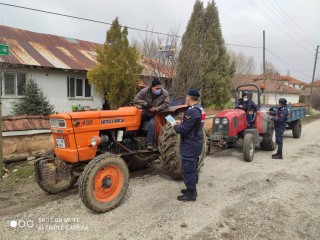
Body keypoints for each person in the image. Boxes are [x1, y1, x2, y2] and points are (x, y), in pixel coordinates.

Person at [172, 89, 205, 202]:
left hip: (190, 144)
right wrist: (181, 122)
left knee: (188, 169)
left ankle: (191, 194)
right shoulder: (199, 109)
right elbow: (193, 125)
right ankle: (191, 189)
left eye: (186, 97)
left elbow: (183, 130)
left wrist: (174, 126)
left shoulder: (191, 112)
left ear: (189, 98)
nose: (186, 98)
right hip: (196, 142)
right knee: (193, 167)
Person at [134, 78, 170, 150]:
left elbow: (166, 104)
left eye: (160, 88)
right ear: (152, 87)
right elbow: (136, 99)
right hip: (147, 111)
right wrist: (146, 104)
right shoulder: (144, 91)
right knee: (137, 119)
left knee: (152, 123)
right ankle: (135, 137)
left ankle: (149, 143)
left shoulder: (165, 93)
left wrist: (156, 108)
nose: (159, 90)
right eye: (157, 88)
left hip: (158, 113)